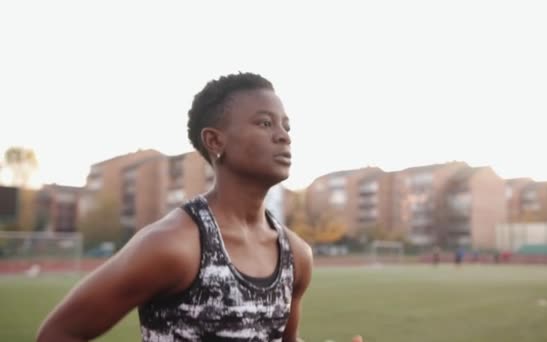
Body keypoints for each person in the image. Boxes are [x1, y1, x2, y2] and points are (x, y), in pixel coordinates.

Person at [37, 72, 363, 342]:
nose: (284, 136)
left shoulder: (296, 255)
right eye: (265, 124)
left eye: (286, 126)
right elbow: (60, 333)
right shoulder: (172, 245)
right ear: (215, 141)